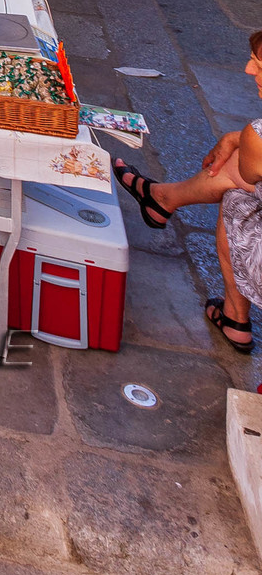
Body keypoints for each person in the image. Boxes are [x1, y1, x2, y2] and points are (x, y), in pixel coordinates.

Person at [111, 32, 262, 350]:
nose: (249, 71)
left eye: (259, 64)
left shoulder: (257, 137)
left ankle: (162, 199)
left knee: (239, 196)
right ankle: (162, 198)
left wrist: (237, 138)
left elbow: (246, 170)